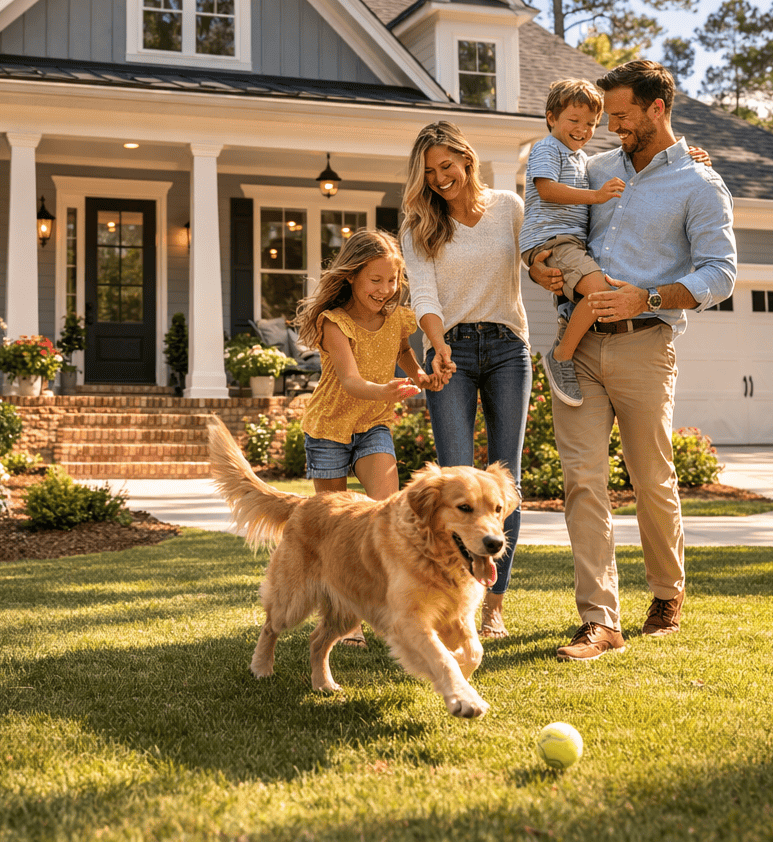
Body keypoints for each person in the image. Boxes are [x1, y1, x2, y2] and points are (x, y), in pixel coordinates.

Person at [548, 60, 737, 662]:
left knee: (651, 476)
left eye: (624, 117)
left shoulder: (700, 184)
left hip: (644, 343)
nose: (614, 128)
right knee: (582, 481)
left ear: (659, 109)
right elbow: (554, 219)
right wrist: (539, 266)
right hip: (575, 346)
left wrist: (648, 296)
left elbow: (721, 273)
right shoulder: (596, 169)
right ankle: (599, 620)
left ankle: (666, 593)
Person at [399, 121, 538, 640]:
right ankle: (453, 603)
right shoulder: (419, 225)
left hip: (507, 348)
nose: (439, 178)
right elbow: (425, 297)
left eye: (446, 166)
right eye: (429, 172)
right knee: (452, 484)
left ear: (466, 159)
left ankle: (493, 605)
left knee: (507, 484)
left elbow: (539, 254)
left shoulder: (509, 207)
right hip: (450, 352)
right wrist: (437, 348)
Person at [521, 78, 716, 407]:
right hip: (553, 240)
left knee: (596, 291)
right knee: (602, 293)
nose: (584, 130)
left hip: (572, 245)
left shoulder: (583, 160)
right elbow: (546, 190)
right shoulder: (547, 148)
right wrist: (596, 196)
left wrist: (688, 156)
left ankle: (566, 333)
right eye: (574, 121)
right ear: (551, 117)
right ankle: (562, 355)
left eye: (591, 124)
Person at [294, 229, 434, 643]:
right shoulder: (333, 322)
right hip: (329, 429)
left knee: (388, 512)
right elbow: (352, 380)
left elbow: (403, 352)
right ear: (352, 276)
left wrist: (419, 376)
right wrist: (387, 390)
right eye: (376, 280)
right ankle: (345, 621)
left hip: (373, 424)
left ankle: (394, 607)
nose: (386, 290)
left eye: (392, 280)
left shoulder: (397, 316)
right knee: (334, 529)